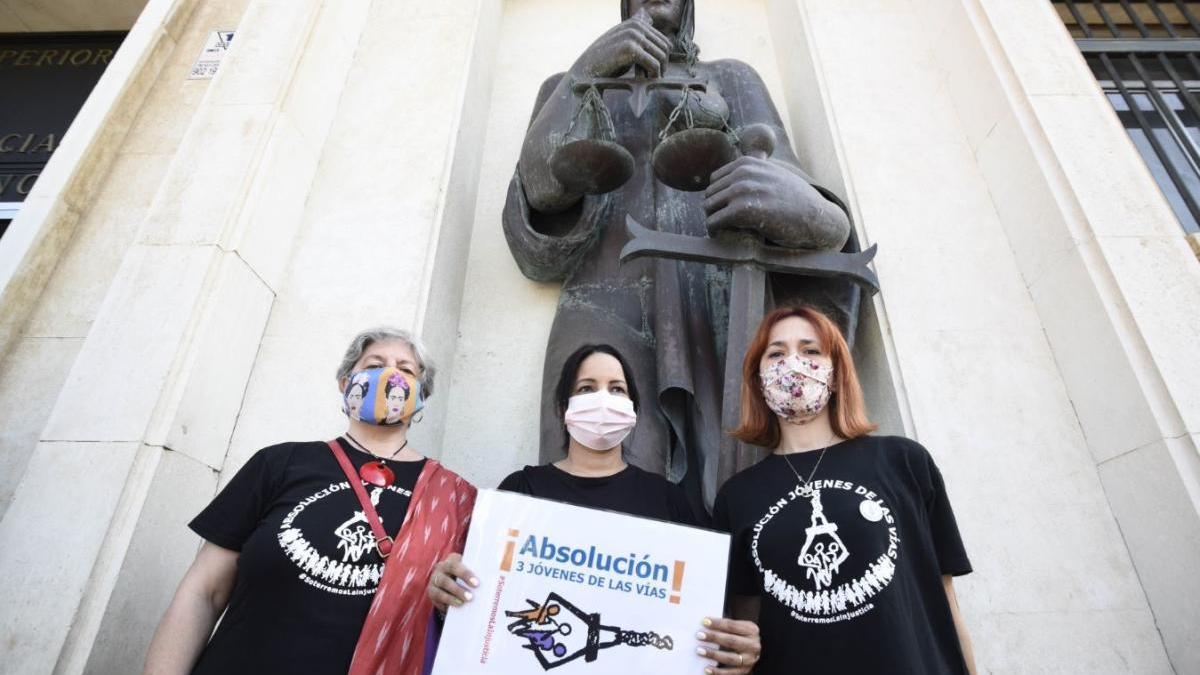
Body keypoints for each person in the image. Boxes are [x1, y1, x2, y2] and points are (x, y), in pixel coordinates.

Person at [503, 0, 864, 510]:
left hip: (714, 300)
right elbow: (537, 202)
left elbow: (821, 223)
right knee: (594, 487)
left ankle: (739, 588)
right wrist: (586, 70)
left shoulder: (731, 80)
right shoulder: (569, 86)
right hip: (605, 304)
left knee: (738, 475)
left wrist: (799, 207)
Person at [143, 327, 476, 675]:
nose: (390, 376)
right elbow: (204, 592)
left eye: (406, 370)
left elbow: (467, 620)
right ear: (346, 383)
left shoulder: (455, 498)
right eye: (375, 365)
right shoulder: (279, 464)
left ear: (422, 395)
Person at [427, 344, 762, 673]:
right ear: (563, 407)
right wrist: (451, 596)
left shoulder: (666, 500)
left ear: (633, 409)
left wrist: (730, 649)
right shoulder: (520, 491)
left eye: (617, 389)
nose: (604, 399)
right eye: (587, 388)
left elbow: (695, 620)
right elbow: (481, 605)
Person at [712, 306, 977, 674]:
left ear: (836, 374)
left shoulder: (904, 462)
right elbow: (746, 628)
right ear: (758, 380)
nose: (793, 363)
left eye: (811, 351)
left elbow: (946, 604)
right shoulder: (737, 496)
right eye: (776, 353)